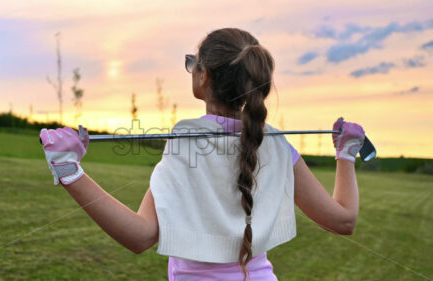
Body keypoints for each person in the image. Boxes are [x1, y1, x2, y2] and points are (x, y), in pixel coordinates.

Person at [39, 28, 365, 281]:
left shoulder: (188, 143)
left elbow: (140, 236)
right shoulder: (278, 145)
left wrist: (69, 170)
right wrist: (346, 154)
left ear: (203, 76)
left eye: (192, 63)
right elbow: (344, 220)